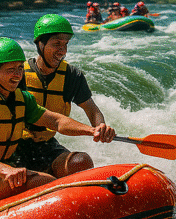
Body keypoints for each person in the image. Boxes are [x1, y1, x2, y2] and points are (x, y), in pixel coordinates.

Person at [0, 38, 115, 210]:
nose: (17, 75)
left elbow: (56, 121)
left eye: (20, 68)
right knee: (42, 182)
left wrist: (91, 130)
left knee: (56, 177)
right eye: (10, 70)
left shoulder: (20, 98)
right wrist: (4, 169)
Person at [19, 15, 115, 176]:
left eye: (65, 45)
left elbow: (92, 110)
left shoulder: (71, 76)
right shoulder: (17, 73)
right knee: (32, 179)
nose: (62, 51)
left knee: (81, 162)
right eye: (56, 44)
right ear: (40, 44)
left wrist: (101, 126)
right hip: (14, 145)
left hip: (46, 145)